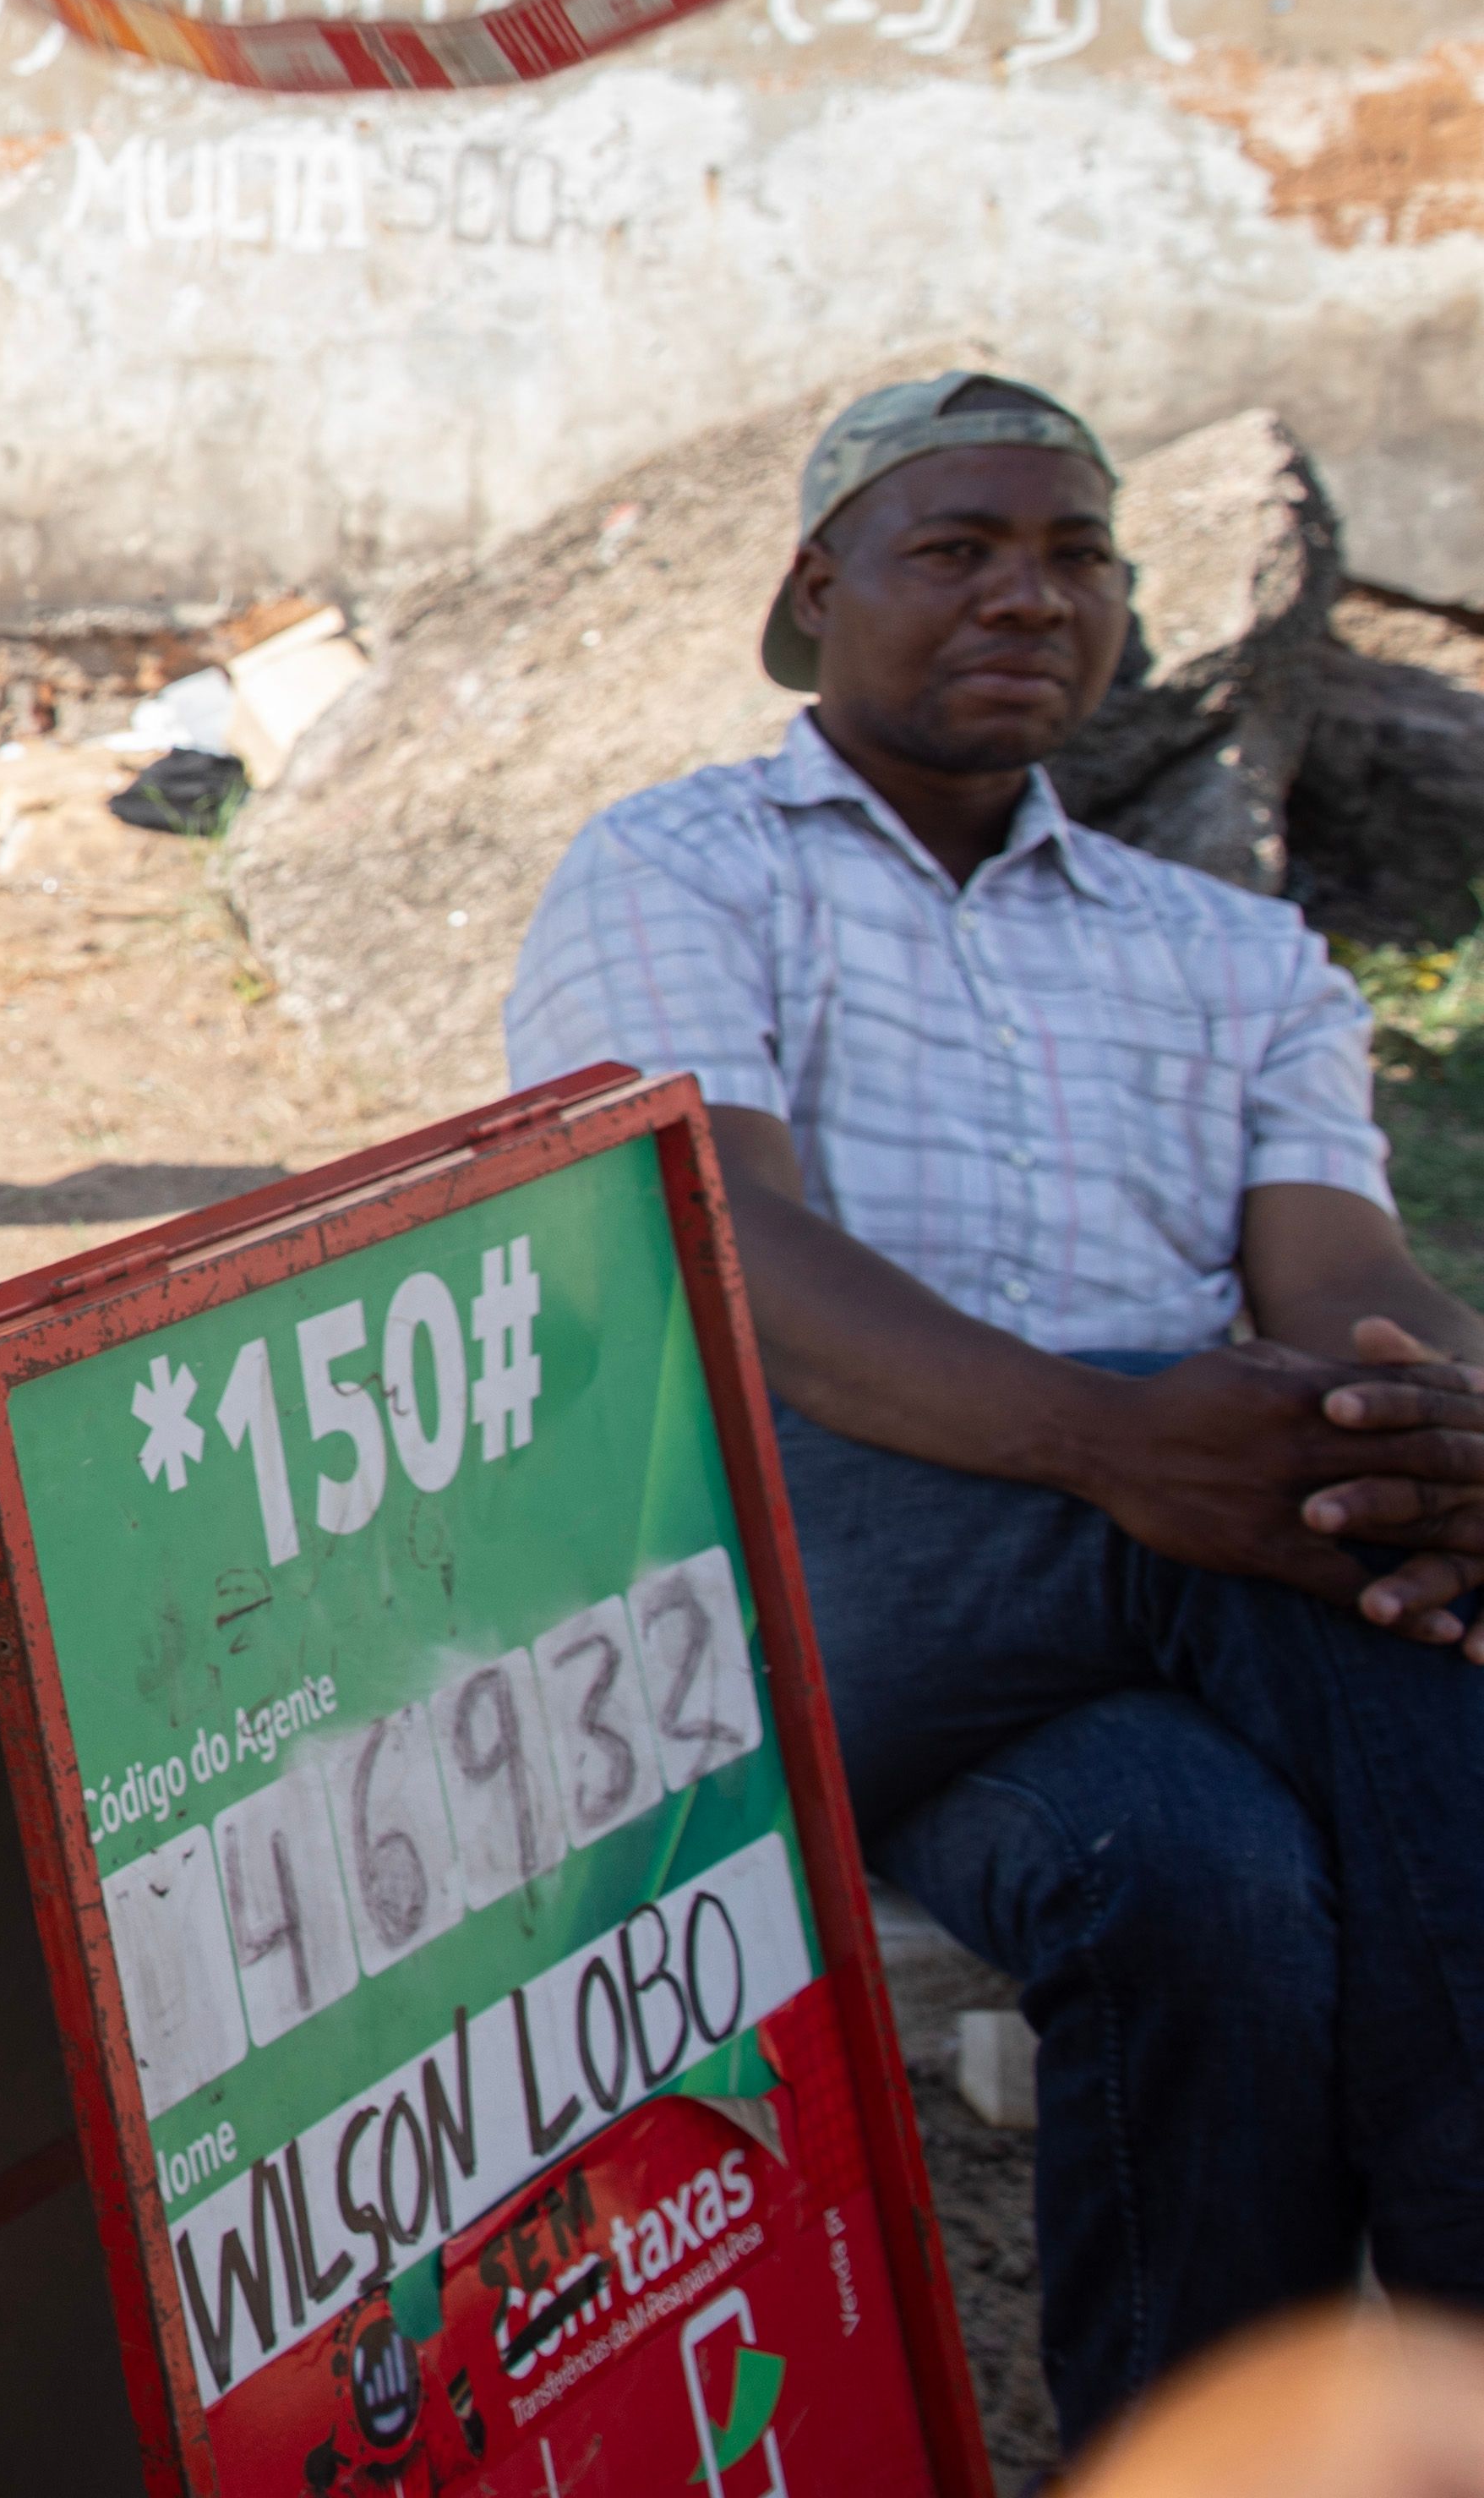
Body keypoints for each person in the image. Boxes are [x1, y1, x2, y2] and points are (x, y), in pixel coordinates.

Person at [500, 374, 1484, 2448]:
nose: (1029, 594)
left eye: (1076, 555)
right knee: (1303, 1538)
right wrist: (1119, 1436)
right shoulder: (681, 866)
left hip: (1167, 1600)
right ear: (815, 586)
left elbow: (1345, 1289)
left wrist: (1429, 1425)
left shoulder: (1229, 949)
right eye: (958, 547)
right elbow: (721, 1257)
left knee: (1203, 1885)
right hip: (792, 1607)